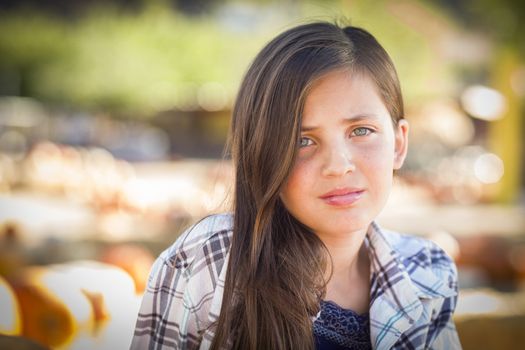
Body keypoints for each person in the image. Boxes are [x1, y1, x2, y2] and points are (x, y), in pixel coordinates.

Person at [130, 21, 461, 350]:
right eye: (303, 140)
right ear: (262, 153)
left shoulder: (427, 273)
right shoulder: (210, 262)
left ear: (399, 145)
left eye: (361, 131)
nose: (337, 166)